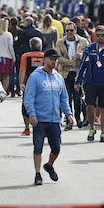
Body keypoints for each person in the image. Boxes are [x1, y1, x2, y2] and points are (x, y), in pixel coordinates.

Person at [24, 49, 75, 185]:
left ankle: (49, 165)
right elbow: (28, 98)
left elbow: (64, 98)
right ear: (44, 59)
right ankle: (38, 174)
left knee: (56, 148)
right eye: (51, 59)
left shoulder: (58, 78)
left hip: (54, 120)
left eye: (55, 59)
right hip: (39, 120)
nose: (54, 61)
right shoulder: (35, 76)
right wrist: (32, 114)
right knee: (38, 148)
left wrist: (69, 114)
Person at [75, 25, 104, 143]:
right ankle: (91, 128)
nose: (100, 37)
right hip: (91, 82)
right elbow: (81, 66)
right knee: (90, 106)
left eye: (102, 35)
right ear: (95, 36)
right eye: (98, 35)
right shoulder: (89, 48)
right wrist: (77, 81)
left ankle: (103, 133)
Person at [55, 21, 88, 128]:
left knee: (78, 97)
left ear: (75, 30)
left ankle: (79, 118)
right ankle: (69, 120)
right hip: (65, 73)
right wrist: (72, 63)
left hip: (79, 73)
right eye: (67, 30)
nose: (69, 32)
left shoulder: (83, 41)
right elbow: (59, 58)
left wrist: (81, 56)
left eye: (71, 30)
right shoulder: (60, 42)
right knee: (66, 97)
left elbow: (89, 56)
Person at [19, 37, 45, 135]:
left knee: (26, 105)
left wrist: (21, 83)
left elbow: (22, 70)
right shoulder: (44, 56)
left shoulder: (25, 56)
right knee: (41, 105)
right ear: (40, 46)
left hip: (28, 85)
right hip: (42, 84)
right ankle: (39, 127)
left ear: (31, 46)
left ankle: (27, 128)